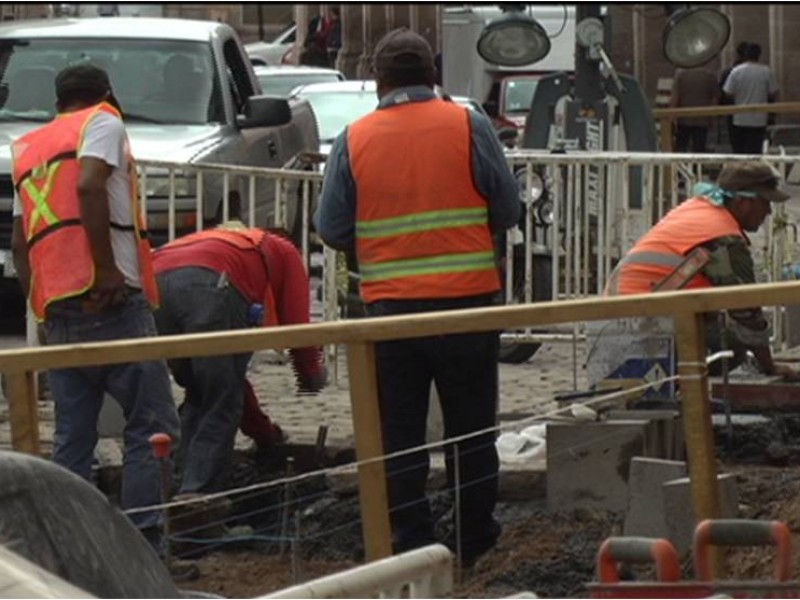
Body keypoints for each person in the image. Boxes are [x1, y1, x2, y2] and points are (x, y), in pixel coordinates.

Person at [315, 28, 520, 566]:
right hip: (467, 303)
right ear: (433, 75)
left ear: (378, 82)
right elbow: (508, 207)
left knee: (399, 433)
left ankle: (410, 539)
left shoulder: (355, 138)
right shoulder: (467, 124)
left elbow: (332, 226)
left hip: (391, 314)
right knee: (472, 428)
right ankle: (472, 535)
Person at [9, 65, 180, 553]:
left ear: (57, 101)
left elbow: (22, 244)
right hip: (110, 301)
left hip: (58, 308)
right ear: (106, 93)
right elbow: (89, 185)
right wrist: (105, 270)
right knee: (152, 426)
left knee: (73, 436)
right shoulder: (102, 122)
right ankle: (143, 549)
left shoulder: (32, 147)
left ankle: (70, 549)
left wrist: (40, 306)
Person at [151, 222, 327, 495]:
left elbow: (233, 383)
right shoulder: (282, 249)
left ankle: (171, 486)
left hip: (156, 282)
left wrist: (264, 434)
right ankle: (196, 500)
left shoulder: (222, 240)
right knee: (220, 400)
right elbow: (298, 329)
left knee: (204, 392)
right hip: (210, 284)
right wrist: (311, 375)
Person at [599, 162, 799, 382]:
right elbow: (746, 311)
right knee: (734, 346)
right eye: (765, 203)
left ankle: (683, 385)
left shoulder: (700, 208)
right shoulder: (723, 237)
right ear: (743, 201)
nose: (769, 212)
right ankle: (686, 391)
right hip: (641, 319)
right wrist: (770, 366)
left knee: (721, 331)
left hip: (619, 309)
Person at [723, 43, 779, 154]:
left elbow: (728, 92)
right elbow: (773, 92)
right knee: (755, 150)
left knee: (739, 150)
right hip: (759, 118)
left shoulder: (736, 71)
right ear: (759, 55)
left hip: (739, 117)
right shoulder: (766, 71)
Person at [670, 66, 718, 153]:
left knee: (681, 146)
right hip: (702, 118)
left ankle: (679, 165)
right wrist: (711, 116)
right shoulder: (709, 75)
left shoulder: (681, 74)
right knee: (699, 147)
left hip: (684, 117)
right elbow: (715, 98)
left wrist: (672, 115)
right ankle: (697, 166)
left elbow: (675, 97)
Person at [719, 41, 749, 150]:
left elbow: (724, 92)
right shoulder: (762, 71)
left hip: (733, 111)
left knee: (737, 144)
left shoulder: (729, 71)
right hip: (754, 112)